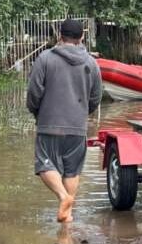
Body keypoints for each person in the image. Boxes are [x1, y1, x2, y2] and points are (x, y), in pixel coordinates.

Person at [27, 18, 102, 224]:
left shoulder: (45, 58)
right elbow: (96, 96)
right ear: (82, 37)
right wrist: (83, 113)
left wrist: (37, 112)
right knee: (72, 170)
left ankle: (63, 197)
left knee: (44, 164)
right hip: (77, 126)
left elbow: (34, 92)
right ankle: (68, 217)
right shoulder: (92, 63)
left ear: (60, 36)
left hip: (48, 123)